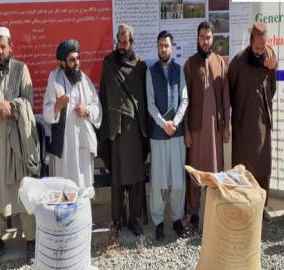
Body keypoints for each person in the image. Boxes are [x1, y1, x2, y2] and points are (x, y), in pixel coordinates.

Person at [0, 27, 39, 262]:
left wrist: (11, 108)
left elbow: (29, 102)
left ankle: (31, 239)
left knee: (23, 191)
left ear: (11, 46)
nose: (0, 51)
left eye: (3, 47)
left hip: (18, 144)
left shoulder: (22, 69)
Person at [99, 24, 149, 237]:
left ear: (131, 42)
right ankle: (117, 219)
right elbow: (103, 93)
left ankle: (135, 219)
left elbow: (144, 99)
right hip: (116, 130)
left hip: (135, 130)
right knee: (118, 177)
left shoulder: (140, 66)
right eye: (119, 41)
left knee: (136, 177)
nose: (121, 45)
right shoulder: (108, 63)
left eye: (125, 42)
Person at [228, 22, 277, 221]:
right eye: (256, 48)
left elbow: (272, 88)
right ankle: (242, 205)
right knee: (243, 167)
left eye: (262, 48)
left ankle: (262, 205)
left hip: (263, 122)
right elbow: (229, 92)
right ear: (250, 43)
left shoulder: (269, 58)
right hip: (242, 123)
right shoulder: (238, 61)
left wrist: (271, 69)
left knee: (263, 166)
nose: (259, 52)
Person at [184, 21, 230, 228]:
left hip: (215, 130)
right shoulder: (190, 64)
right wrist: (186, 130)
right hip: (195, 129)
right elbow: (184, 102)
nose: (205, 41)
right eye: (202, 37)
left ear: (213, 39)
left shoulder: (221, 62)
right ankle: (193, 213)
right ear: (197, 38)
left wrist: (226, 126)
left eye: (208, 37)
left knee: (214, 172)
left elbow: (226, 97)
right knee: (194, 172)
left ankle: (213, 211)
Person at [43, 39, 102, 196]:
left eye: (78, 58)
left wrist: (87, 110)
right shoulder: (54, 79)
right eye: (72, 60)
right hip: (65, 146)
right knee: (65, 189)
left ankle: (84, 221)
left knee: (83, 189)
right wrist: (57, 106)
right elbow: (46, 113)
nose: (76, 63)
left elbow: (97, 107)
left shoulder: (84, 79)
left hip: (82, 144)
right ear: (62, 62)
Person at [147, 31, 188, 240]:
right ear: (157, 47)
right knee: (159, 181)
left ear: (172, 47)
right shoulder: (150, 71)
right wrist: (164, 124)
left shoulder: (179, 70)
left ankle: (178, 219)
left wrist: (176, 122)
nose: (164, 49)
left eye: (167, 45)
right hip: (158, 135)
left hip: (177, 134)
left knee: (178, 180)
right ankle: (159, 221)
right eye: (161, 45)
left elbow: (184, 99)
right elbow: (150, 104)